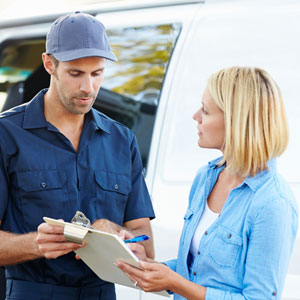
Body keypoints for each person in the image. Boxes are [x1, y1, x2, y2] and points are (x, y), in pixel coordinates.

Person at [0, 12, 155, 300]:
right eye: (75, 74)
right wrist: (36, 243)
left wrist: (120, 237)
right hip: (33, 293)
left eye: (97, 73)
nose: (89, 88)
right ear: (50, 64)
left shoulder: (122, 140)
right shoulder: (6, 135)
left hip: (102, 293)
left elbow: (143, 241)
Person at [115, 66, 299, 300]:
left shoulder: (273, 203)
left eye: (205, 110)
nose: (195, 116)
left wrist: (176, 283)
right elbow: (195, 272)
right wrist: (148, 265)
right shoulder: (206, 177)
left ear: (235, 121)